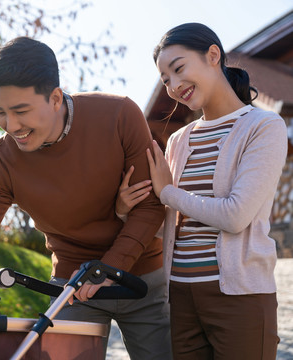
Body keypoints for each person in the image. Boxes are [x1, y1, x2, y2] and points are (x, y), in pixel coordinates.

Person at [0, 36, 172, 359]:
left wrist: (110, 268)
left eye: (21, 111)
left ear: (55, 98)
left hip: (141, 278)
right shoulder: (1, 163)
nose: (11, 126)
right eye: (0, 112)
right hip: (71, 287)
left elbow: (150, 206)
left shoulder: (120, 115)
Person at [120, 23, 287, 359]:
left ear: (213, 55)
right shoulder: (179, 141)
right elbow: (171, 225)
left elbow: (235, 215)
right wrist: (125, 209)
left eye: (179, 68)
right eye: (166, 79)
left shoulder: (263, 127)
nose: (174, 85)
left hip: (240, 298)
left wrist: (166, 192)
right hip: (180, 297)